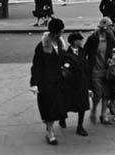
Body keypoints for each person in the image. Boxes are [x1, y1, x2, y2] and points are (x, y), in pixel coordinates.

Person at [30, 17, 67, 145]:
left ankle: (52, 126)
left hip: (59, 80)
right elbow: (36, 65)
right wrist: (34, 83)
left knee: (57, 105)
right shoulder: (42, 46)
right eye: (61, 30)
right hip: (46, 81)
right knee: (48, 106)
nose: (62, 32)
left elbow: (63, 59)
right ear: (56, 31)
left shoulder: (61, 43)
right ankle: (50, 132)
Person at [85, 17, 115, 124]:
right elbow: (85, 51)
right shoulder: (93, 38)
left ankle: (103, 115)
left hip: (107, 69)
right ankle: (94, 109)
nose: (111, 29)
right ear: (103, 28)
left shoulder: (111, 38)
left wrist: (114, 58)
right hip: (95, 70)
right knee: (98, 93)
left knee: (106, 93)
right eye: (109, 27)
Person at [62, 32, 90, 136]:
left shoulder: (82, 52)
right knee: (67, 103)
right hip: (71, 84)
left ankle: (80, 126)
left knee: (82, 105)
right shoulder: (66, 55)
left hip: (82, 83)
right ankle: (62, 117)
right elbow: (65, 70)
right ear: (74, 41)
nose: (82, 41)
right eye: (80, 40)